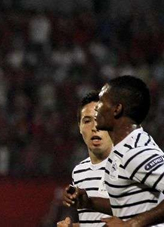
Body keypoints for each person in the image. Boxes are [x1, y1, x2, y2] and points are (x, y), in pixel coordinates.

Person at [63, 75, 164, 226]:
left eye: (102, 102)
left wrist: (131, 224)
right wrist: (89, 203)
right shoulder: (121, 150)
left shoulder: (134, 151)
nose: (97, 107)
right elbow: (126, 204)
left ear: (117, 109)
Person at [57, 91, 113, 227]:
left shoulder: (130, 163)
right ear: (79, 127)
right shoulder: (79, 172)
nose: (95, 127)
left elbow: (141, 212)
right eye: (87, 121)